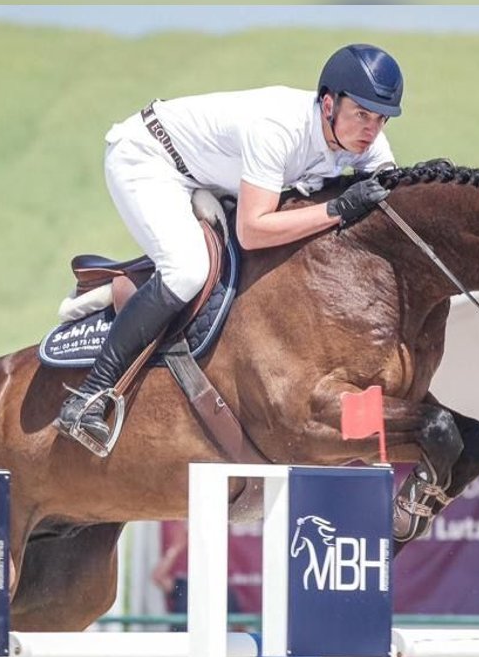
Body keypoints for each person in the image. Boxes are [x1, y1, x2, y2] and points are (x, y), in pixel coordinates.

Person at [54, 43, 405, 455]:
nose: (371, 129)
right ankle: (88, 397)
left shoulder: (365, 142)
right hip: (150, 158)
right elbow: (254, 230)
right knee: (187, 270)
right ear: (328, 104)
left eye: (380, 119)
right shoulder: (278, 128)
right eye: (361, 114)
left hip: (213, 176)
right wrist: (336, 209)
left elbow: (391, 197)